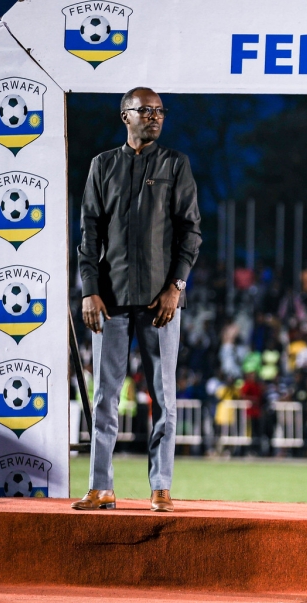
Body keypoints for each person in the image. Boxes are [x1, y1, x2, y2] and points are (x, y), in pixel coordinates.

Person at [73, 87, 201, 513]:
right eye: (145, 110)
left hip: (160, 304)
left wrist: (175, 287)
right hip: (108, 301)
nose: (154, 117)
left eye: (159, 111)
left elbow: (191, 232)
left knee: (163, 396)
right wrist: (89, 290)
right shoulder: (102, 165)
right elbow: (88, 234)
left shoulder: (174, 164)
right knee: (104, 395)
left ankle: (160, 486)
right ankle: (100, 486)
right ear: (124, 116)